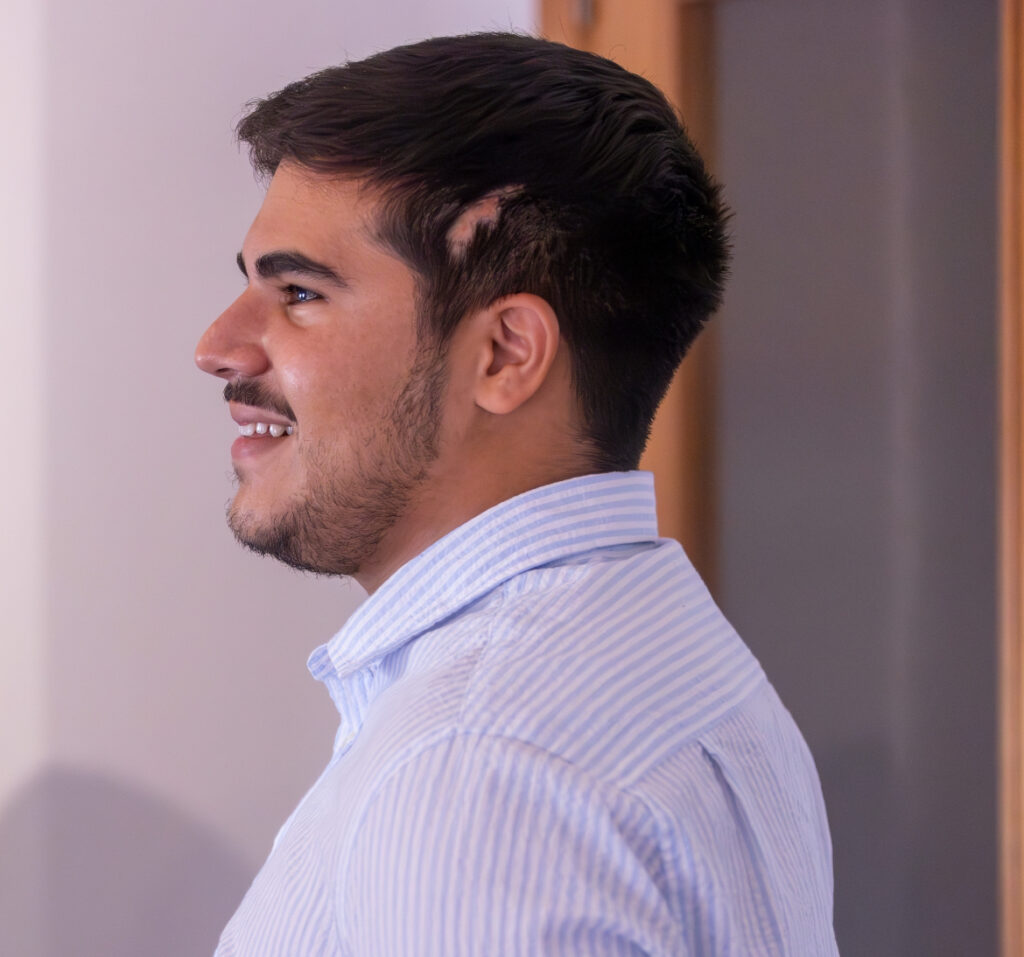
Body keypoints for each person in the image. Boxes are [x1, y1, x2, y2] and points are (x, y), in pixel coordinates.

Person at [195, 32, 838, 956]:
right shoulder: (677, 660)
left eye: (298, 292)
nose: (218, 346)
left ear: (504, 355)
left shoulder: (478, 765)